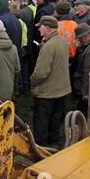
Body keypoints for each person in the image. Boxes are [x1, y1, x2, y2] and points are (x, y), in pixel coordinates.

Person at [31, 16, 72, 147]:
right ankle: (53, 140)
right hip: (62, 88)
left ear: (47, 28)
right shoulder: (63, 40)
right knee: (55, 117)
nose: (39, 29)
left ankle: (40, 146)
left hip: (47, 91)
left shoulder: (48, 46)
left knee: (42, 120)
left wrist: (33, 81)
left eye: (40, 27)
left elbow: (41, 72)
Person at [73, 23, 90, 117]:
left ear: (84, 36)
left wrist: (85, 93)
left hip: (87, 91)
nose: (79, 40)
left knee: (83, 115)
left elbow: (88, 73)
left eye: (79, 38)